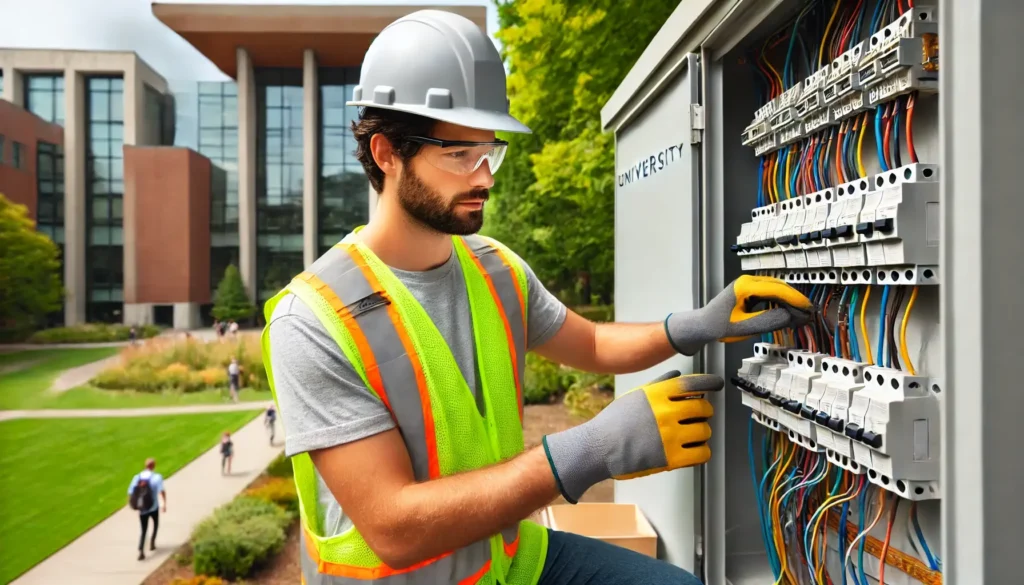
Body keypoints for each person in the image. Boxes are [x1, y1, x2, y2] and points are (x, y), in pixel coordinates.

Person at [262, 10, 813, 585]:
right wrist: (594, 448)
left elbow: (594, 342)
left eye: (489, 152)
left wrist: (693, 326)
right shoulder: (315, 320)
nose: (485, 178)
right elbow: (394, 529)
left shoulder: (496, 269)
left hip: (507, 561)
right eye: (459, 155)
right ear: (386, 154)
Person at [127, 458, 166, 561]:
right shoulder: (157, 477)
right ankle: (152, 542)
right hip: (153, 507)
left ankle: (141, 551)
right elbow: (161, 491)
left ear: (145, 466)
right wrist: (164, 504)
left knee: (143, 530)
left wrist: (133, 504)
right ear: (154, 466)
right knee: (156, 524)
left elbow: (131, 492)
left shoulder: (137, 477)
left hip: (142, 508)